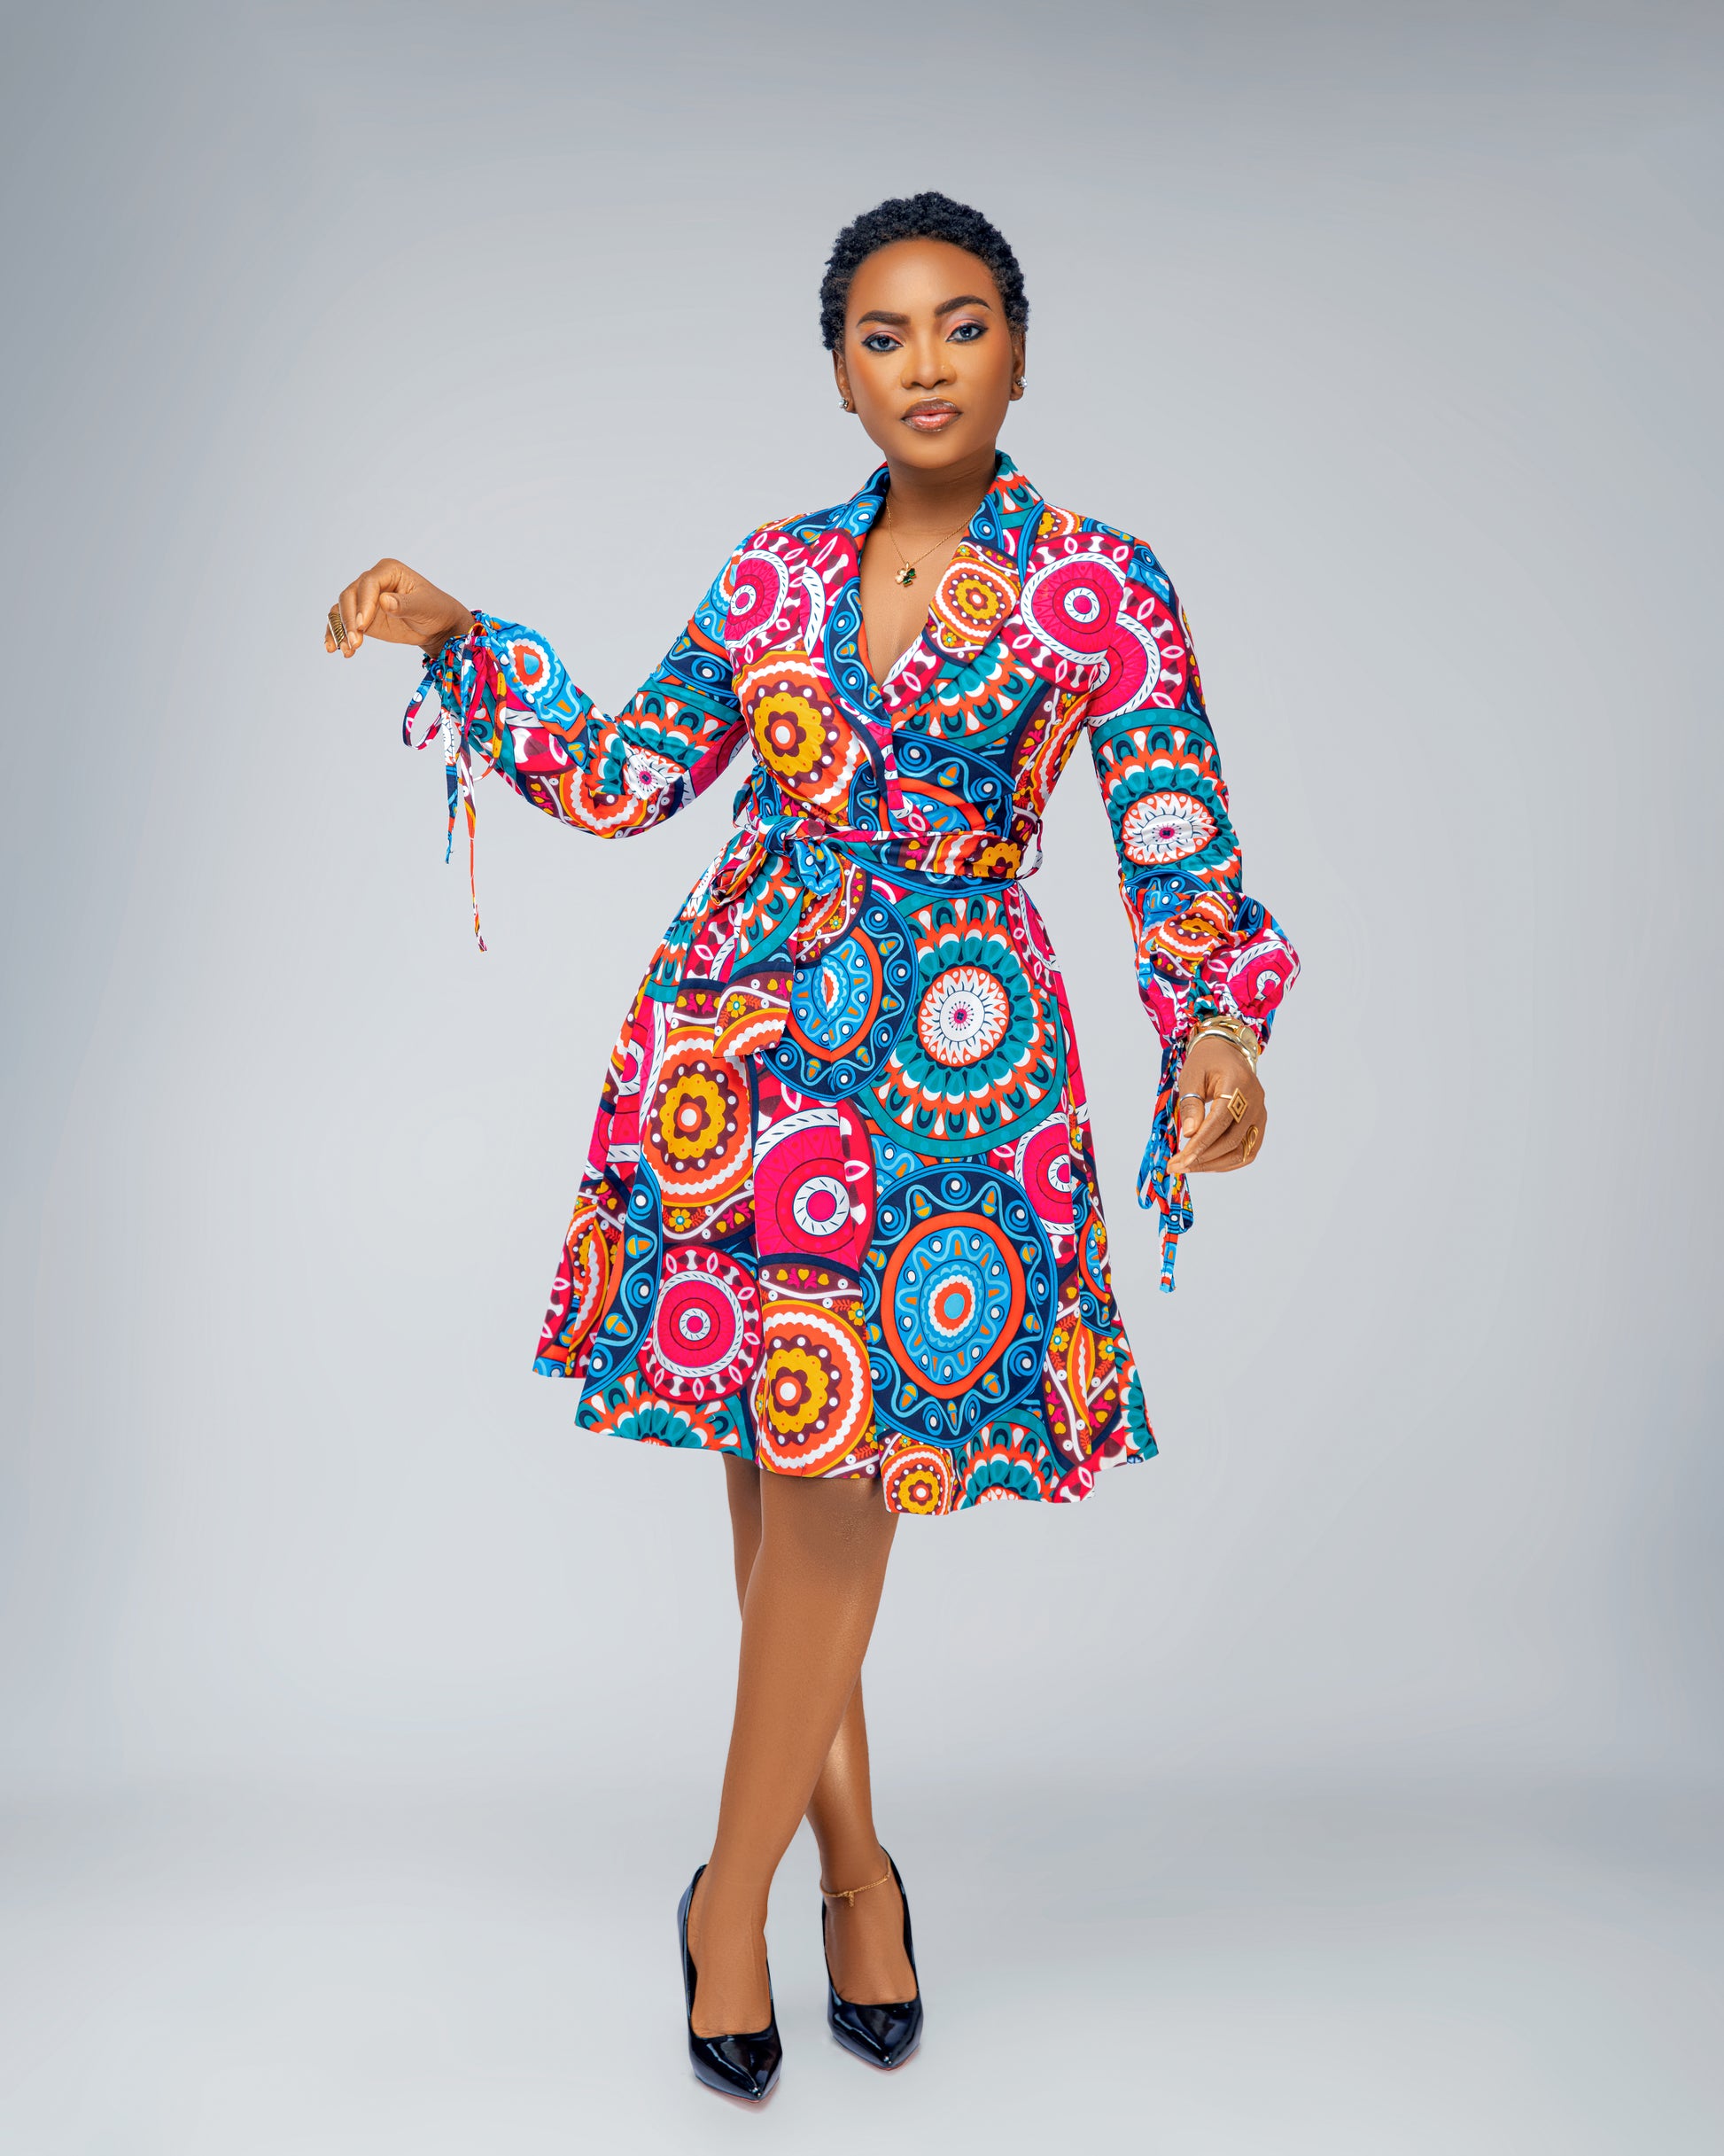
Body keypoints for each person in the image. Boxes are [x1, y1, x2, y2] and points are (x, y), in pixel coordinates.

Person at [326, 191, 1299, 2102]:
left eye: (961, 324)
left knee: (841, 1480)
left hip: (950, 1066)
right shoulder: (774, 573)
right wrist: (458, 631)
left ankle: (728, 1899)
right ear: (840, 371)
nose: (924, 363)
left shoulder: (1100, 583)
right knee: (785, 1474)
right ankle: (857, 1876)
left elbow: (1175, 838)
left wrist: (1217, 1025)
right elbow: (629, 773)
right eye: (882, 333)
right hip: (735, 1047)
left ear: (1019, 350)